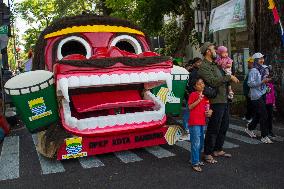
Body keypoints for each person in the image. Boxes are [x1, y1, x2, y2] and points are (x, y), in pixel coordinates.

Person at [198, 42, 239, 163]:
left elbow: (223, 78)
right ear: (208, 52)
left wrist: (229, 85)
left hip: (224, 98)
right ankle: (207, 153)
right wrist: (229, 77)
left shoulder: (216, 64)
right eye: (213, 49)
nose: (215, 50)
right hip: (215, 101)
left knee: (224, 126)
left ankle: (218, 149)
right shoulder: (203, 67)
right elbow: (213, 81)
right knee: (214, 127)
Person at [245, 52, 273, 144]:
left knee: (258, 114)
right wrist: (262, 82)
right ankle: (264, 136)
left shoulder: (263, 69)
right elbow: (249, 84)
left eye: (262, 58)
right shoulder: (253, 70)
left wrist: (266, 82)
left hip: (263, 93)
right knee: (264, 115)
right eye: (260, 59)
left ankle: (249, 128)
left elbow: (263, 80)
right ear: (256, 61)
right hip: (256, 96)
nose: (262, 60)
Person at [188, 77, 212, 172]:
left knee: (201, 142)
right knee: (196, 143)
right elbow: (190, 107)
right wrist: (198, 99)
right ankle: (195, 162)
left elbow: (208, 107)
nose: (202, 85)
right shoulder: (193, 94)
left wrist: (210, 111)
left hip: (202, 121)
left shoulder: (205, 96)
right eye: (199, 84)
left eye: (202, 83)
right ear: (195, 86)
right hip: (194, 122)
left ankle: (194, 159)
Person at [180, 58, 202, 141]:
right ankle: (187, 131)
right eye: (198, 62)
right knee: (188, 113)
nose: (200, 63)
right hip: (192, 95)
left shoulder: (195, 72)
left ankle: (191, 130)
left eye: (200, 62)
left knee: (192, 113)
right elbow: (191, 85)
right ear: (194, 64)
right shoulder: (194, 73)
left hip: (192, 95)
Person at [265, 67, 276, 137]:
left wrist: (274, 103)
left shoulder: (271, 85)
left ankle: (270, 131)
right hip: (264, 102)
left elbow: (273, 94)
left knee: (270, 117)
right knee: (264, 117)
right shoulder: (262, 85)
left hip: (270, 103)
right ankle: (265, 131)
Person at [242, 57, 254, 122]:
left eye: (249, 63)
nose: (247, 64)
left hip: (250, 92)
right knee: (248, 104)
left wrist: (249, 91)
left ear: (252, 63)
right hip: (247, 92)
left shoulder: (253, 71)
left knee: (251, 105)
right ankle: (247, 116)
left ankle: (250, 117)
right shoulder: (250, 70)